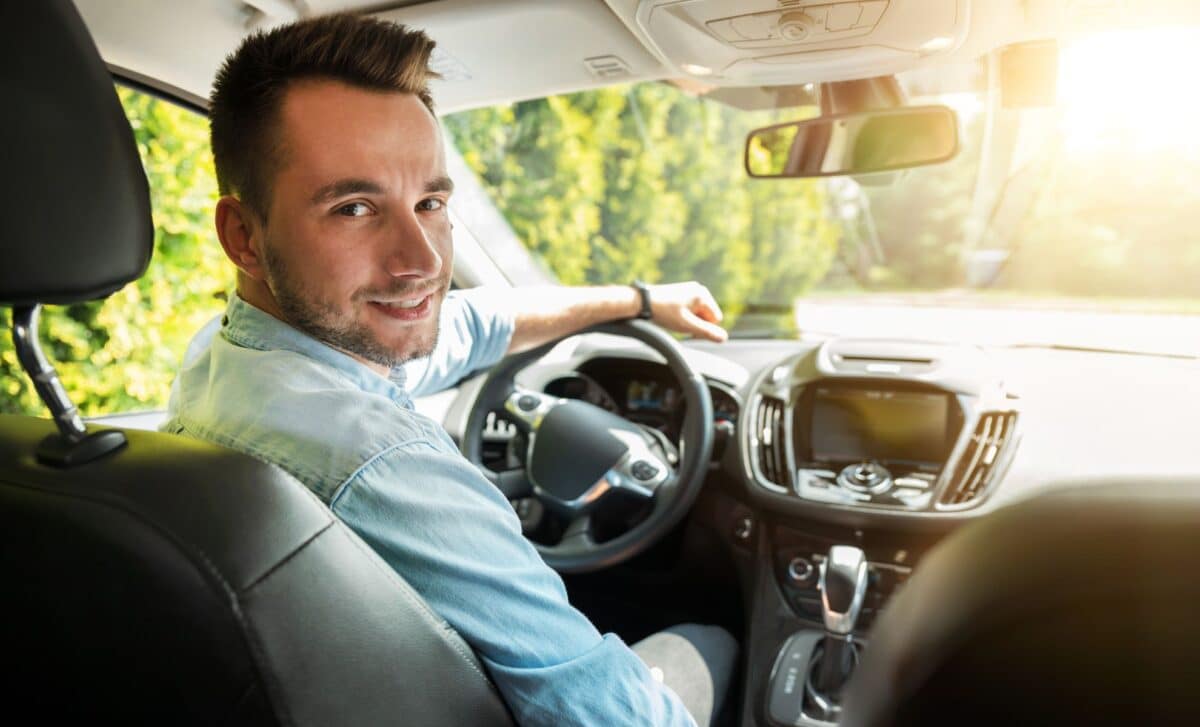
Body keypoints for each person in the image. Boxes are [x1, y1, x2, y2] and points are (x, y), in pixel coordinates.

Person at [163, 12, 737, 727]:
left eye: (430, 202)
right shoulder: (385, 463)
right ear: (242, 236)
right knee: (708, 641)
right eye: (354, 207)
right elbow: (605, 707)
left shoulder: (224, 358)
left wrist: (643, 300)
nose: (425, 260)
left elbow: (470, 325)